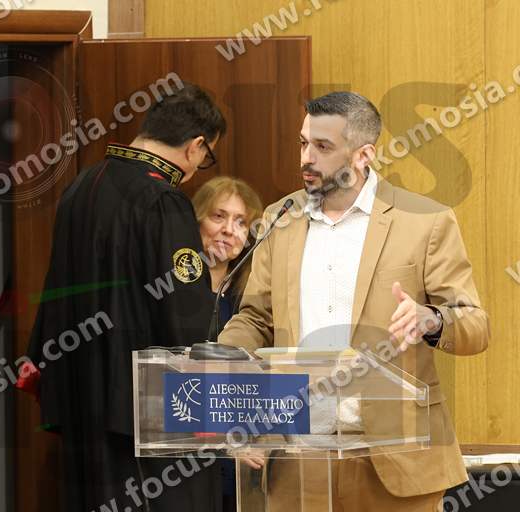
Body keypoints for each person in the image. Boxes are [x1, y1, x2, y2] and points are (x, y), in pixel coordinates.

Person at [218, 91, 489, 511]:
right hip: (298, 456)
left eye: (323, 147)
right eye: (303, 143)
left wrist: (432, 319)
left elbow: (474, 324)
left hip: (397, 458)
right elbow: (256, 318)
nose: (306, 158)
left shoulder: (425, 221)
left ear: (364, 155)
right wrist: (221, 366)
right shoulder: (280, 218)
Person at [26, 83, 227, 512]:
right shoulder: (163, 199)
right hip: (143, 417)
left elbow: (54, 290)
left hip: (81, 402)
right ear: (195, 146)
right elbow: (183, 313)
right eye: (205, 157)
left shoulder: (80, 188)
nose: (199, 167)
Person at [191, 177, 263, 512]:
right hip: (184, 457)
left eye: (241, 222)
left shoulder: (253, 300)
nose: (228, 230)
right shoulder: (172, 294)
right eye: (218, 216)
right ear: (196, 221)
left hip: (246, 461)